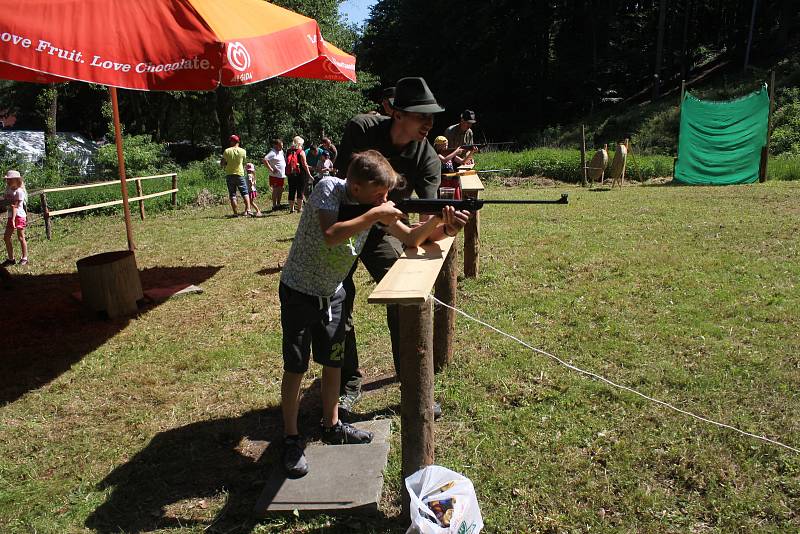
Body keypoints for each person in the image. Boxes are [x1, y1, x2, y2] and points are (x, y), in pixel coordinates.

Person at [279, 150, 463, 477]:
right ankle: (291, 438)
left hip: (331, 291)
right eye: (379, 194)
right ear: (355, 187)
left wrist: (440, 222)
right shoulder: (328, 187)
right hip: (299, 291)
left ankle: (332, 424)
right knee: (296, 365)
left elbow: (411, 238)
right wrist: (375, 213)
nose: (385, 200)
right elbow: (331, 234)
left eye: (386, 195)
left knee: (334, 360)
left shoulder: (374, 207)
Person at [335, 77, 470, 416]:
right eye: (421, 116)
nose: (428, 123)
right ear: (397, 114)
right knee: (336, 300)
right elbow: (342, 187)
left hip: (385, 230)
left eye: (432, 117)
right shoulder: (362, 130)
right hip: (344, 226)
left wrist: (444, 221)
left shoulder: (427, 157)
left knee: (405, 297)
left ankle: (412, 383)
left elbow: (430, 206)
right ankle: (347, 383)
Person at [220, 134, 254, 217]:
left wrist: (226, 164)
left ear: (232, 141)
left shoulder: (227, 151)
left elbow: (222, 163)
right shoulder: (243, 151)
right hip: (240, 174)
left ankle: (235, 213)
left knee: (232, 194)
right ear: (238, 141)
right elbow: (244, 162)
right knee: (245, 193)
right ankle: (248, 210)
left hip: (229, 174)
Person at [3, 170, 28, 267]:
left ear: (16, 180)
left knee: (21, 237)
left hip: (19, 216)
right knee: (6, 237)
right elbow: (6, 202)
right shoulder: (8, 190)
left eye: (10, 179)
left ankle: (24, 258)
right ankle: (11, 259)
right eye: (7, 180)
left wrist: (13, 219)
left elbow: (15, 206)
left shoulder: (19, 192)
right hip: (11, 216)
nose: (8, 181)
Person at [285, 136, 310, 214]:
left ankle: (291, 209)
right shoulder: (301, 152)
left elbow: (287, 161)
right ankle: (299, 208)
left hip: (291, 174)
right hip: (300, 173)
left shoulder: (288, 151)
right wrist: (309, 174)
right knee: (300, 191)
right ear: (299, 143)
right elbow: (304, 164)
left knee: (291, 190)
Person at [264, 138, 286, 211]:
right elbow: (265, 160)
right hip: (275, 176)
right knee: (275, 190)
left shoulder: (281, 151)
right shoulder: (272, 152)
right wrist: (271, 169)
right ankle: (274, 205)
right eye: (280, 146)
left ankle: (279, 204)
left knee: (281, 189)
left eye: (282, 145)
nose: (282, 147)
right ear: (275, 145)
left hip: (281, 175)